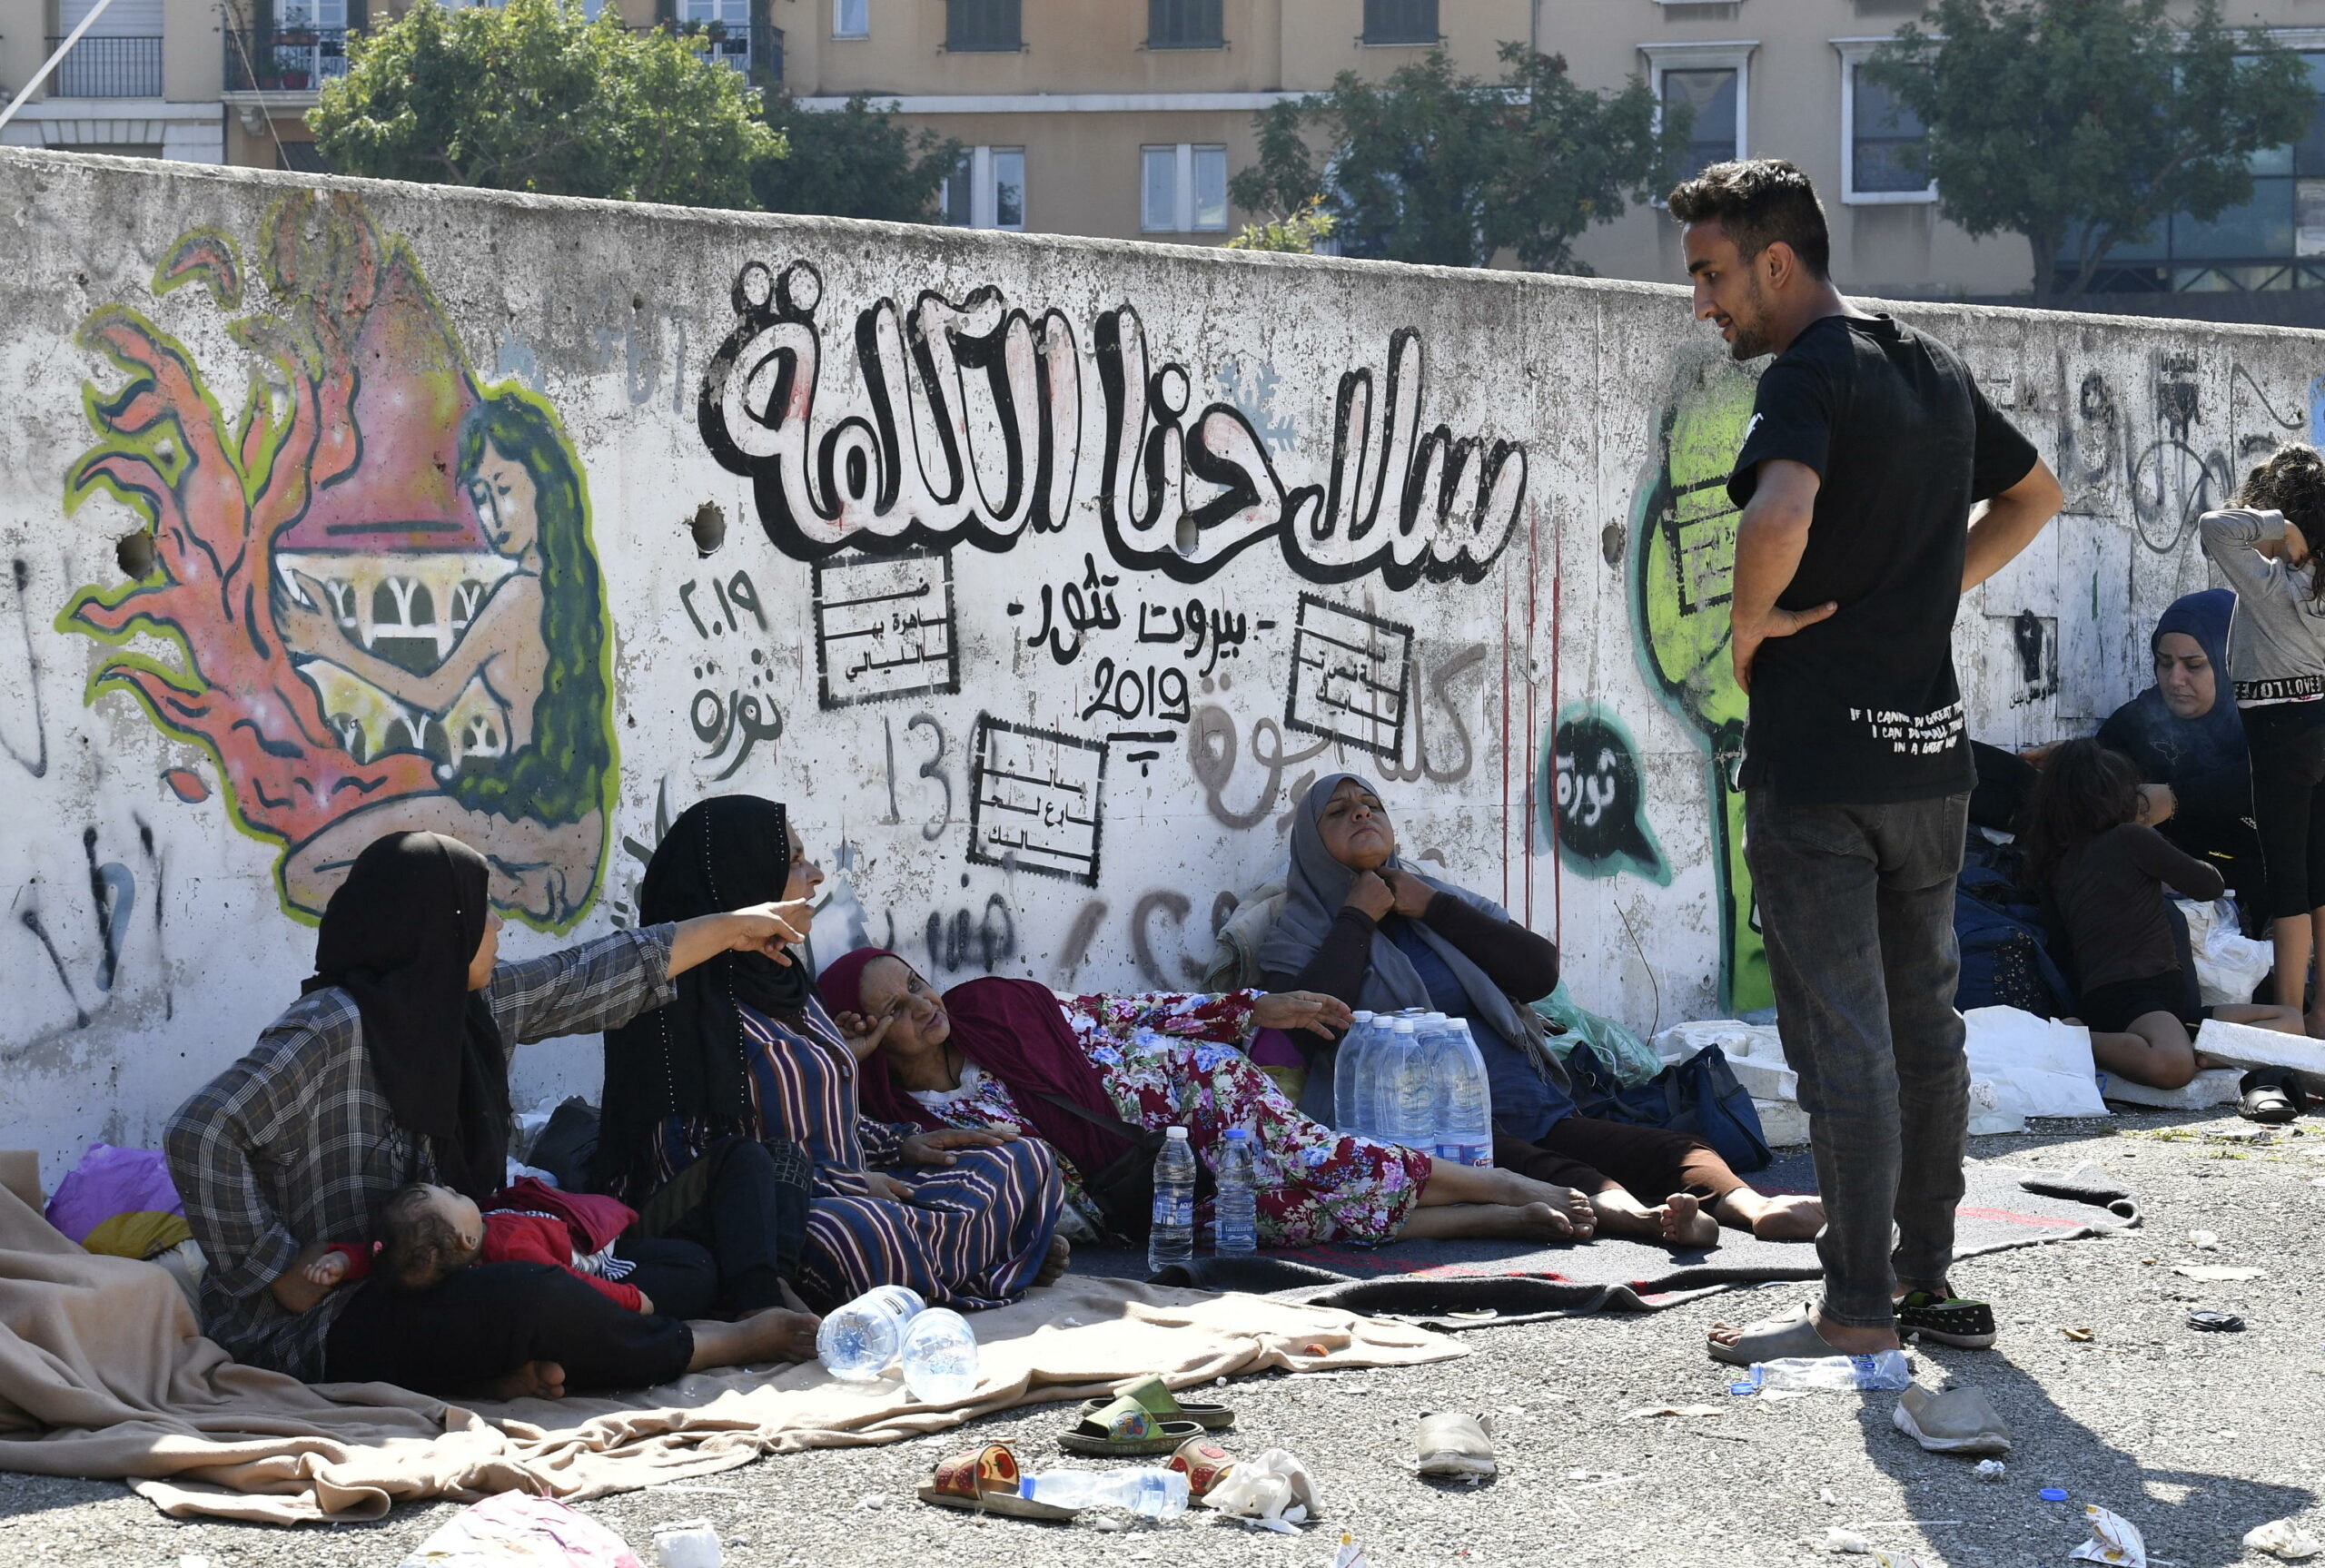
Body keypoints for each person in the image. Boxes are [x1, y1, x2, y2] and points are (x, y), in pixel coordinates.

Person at [1668, 158, 2063, 1365]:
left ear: (1777, 262)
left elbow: (1776, 512)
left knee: (1843, 1037)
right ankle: (1925, 1283)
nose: (1704, 304)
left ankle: (1853, 1304)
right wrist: (1924, 590)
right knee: (1925, 1029)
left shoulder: (1812, 372)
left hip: (1822, 771)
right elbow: (2036, 494)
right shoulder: (1929, 363)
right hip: (1931, 764)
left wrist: (1745, 630)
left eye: (1713, 274)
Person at [165, 830, 823, 1399]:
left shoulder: (471, 1005)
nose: (498, 927)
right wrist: (276, 1267)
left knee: (686, 1263)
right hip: (335, 1314)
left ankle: (503, 1370)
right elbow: (202, 1131)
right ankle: (714, 1345)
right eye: (482, 910)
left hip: (460, 1273)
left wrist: (738, 925)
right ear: (435, 924)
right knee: (532, 1298)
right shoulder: (332, 1026)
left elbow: (593, 972)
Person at [1257, 773, 1825, 1248]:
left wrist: (1430, 905)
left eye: (1371, 804)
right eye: (1339, 811)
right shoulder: (1302, 931)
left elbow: (1536, 972)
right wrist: (1357, 918)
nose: (1361, 814)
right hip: (1433, 1132)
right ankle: (1648, 1221)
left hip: (1533, 1103)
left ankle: (1754, 1209)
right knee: (1552, 1173)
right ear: (1312, 845)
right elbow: (1311, 1028)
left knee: (1676, 1148)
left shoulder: (1434, 901)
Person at [595, 795, 1066, 1313]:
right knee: (860, 1236)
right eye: (794, 861)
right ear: (743, 881)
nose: (815, 875)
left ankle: (956, 1266)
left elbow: (826, 1120)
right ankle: (993, 1255)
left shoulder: (787, 984)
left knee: (1025, 1158)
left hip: (864, 1186)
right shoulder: (674, 1013)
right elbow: (694, 1166)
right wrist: (846, 1182)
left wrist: (903, 1144)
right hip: (786, 1215)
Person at [820, 949, 1602, 1249]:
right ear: (871, 1041)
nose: (922, 1005)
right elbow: (838, 1149)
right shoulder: (907, 1124)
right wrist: (842, 1061)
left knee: (1328, 1165)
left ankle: (1512, 1187)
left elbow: (1126, 1011)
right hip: (1146, 1195)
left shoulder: (994, 1005)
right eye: (893, 1010)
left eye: (914, 984)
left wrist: (1252, 1007)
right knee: (1294, 1217)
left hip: (1204, 1100)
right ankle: (1513, 1215)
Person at [280, 391, 613, 926]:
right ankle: (496, 889)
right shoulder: (573, 591)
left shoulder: (517, 597)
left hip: (528, 830)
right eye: (480, 495)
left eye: (504, 489)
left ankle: (487, 899)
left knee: (306, 874)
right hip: (575, 838)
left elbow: (434, 694)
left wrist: (330, 644)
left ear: (544, 486)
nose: (490, 513)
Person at [2022, 740, 2303, 1087]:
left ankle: (2204, 1052)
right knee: (2173, 1066)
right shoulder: (2129, 838)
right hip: (2134, 997)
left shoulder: (2058, 863)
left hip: (2158, 1003)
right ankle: (2076, 1039)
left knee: (2290, 1020)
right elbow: (2210, 885)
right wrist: (2149, 827)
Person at [2199, 447, 2325, 1032]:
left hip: (2278, 732)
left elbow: (2216, 529)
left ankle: (2292, 1017)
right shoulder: (2318, 588)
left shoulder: (2274, 587)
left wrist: (2281, 528)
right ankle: (2322, 1013)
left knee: (2287, 879)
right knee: (2322, 868)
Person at [2097, 590, 2265, 929]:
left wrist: (2174, 799)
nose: (2175, 680)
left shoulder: (2268, 725)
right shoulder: (2137, 723)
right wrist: (2073, 763)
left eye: (2194, 665)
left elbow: (2273, 782)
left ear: (2230, 661)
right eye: (2164, 662)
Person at [305, 1180, 714, 1317]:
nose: (453, 1188)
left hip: (573, 1225)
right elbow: (573, 1283)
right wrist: (632, 1302)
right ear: (467, 1240)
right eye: (452, 1196)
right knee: (695, 1263)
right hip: (604, 1264)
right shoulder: (513, 1248)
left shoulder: (444, 1255)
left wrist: (346, 1259)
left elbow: (390, 1254)